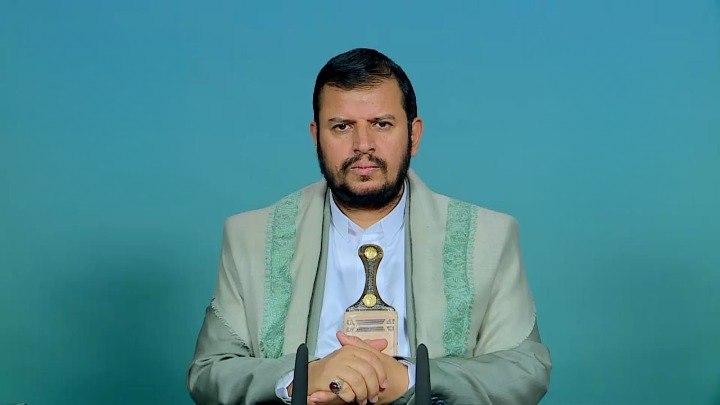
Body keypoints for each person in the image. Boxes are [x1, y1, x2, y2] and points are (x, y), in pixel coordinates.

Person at [187, 48, 551, 404]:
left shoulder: (488, 238)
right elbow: (209, 372)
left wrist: (409, 378)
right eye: (342, 126)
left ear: (414, 135)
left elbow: (524, 369)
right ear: (316, 136)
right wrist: (304, 377)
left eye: (382, 124)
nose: (363, 145)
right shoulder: (251, 237)